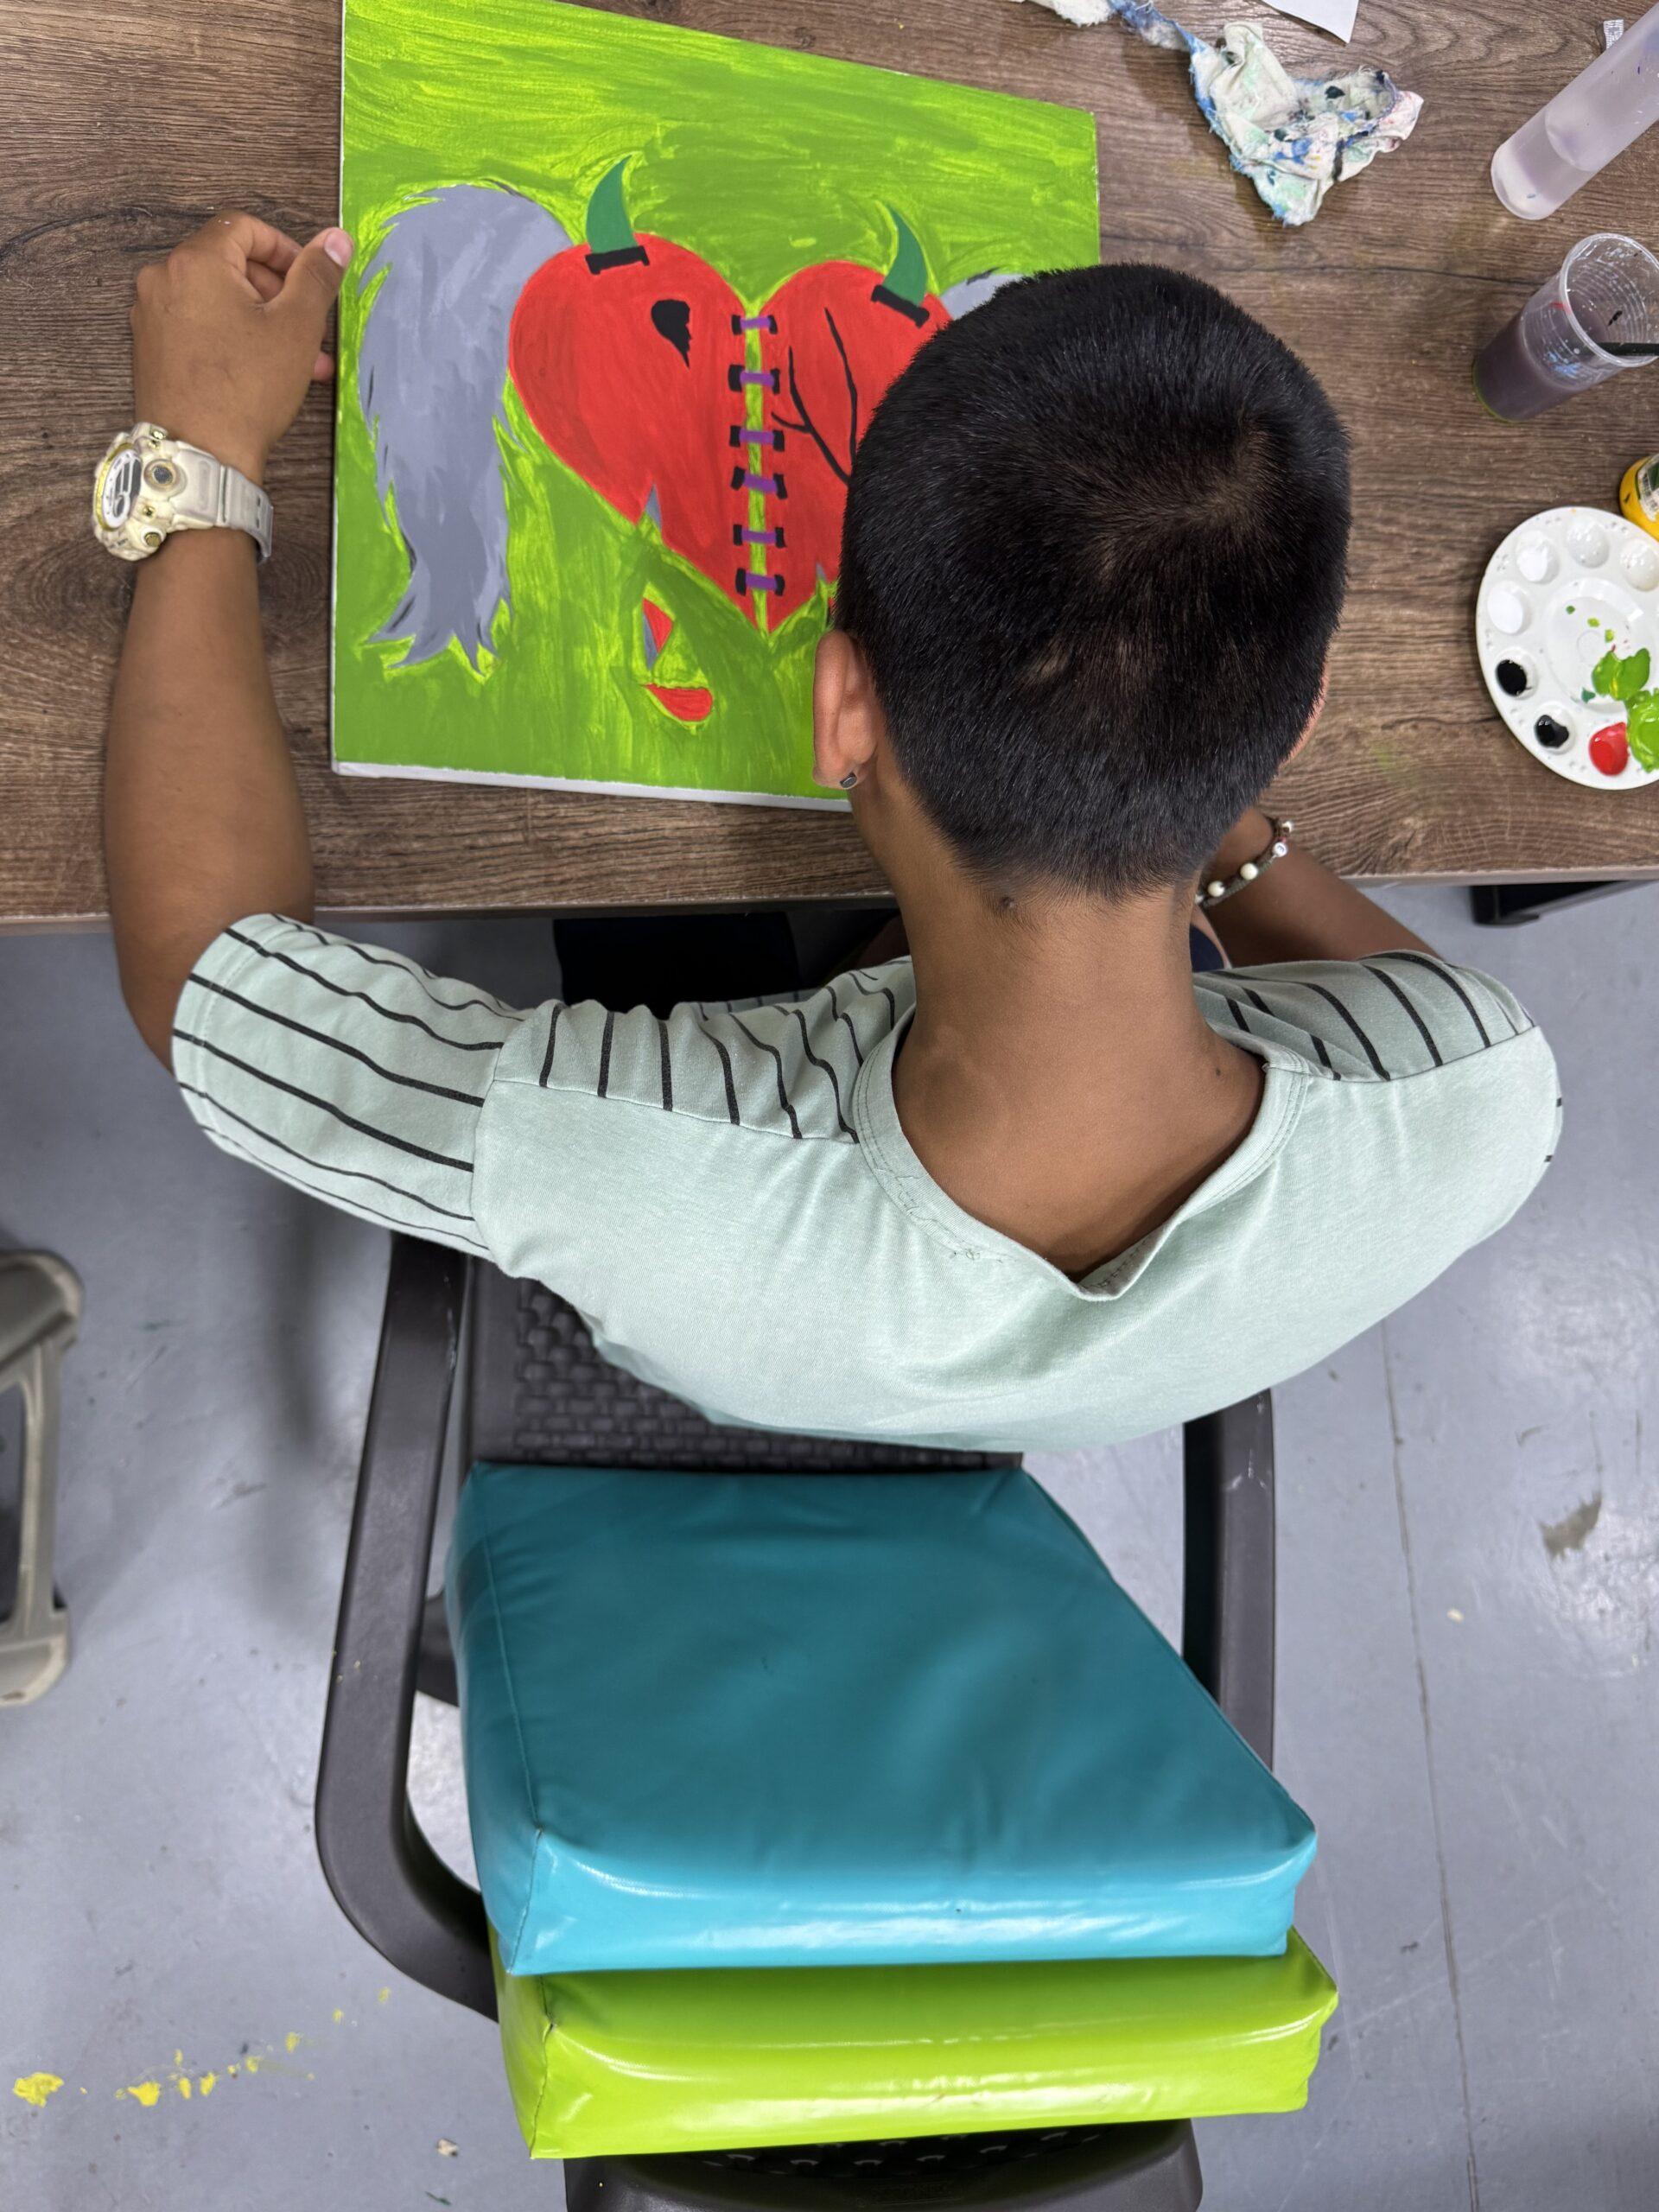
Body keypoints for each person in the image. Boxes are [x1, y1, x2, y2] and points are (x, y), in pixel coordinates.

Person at [103, 212, 1560, 1452]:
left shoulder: (628, 1167)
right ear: (1295, 722)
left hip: (743, 1322)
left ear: (840, 708)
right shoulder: (1480, 1107)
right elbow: (1385, 990)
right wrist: (1154, 713)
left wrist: (201, 453)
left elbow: (207, 977)